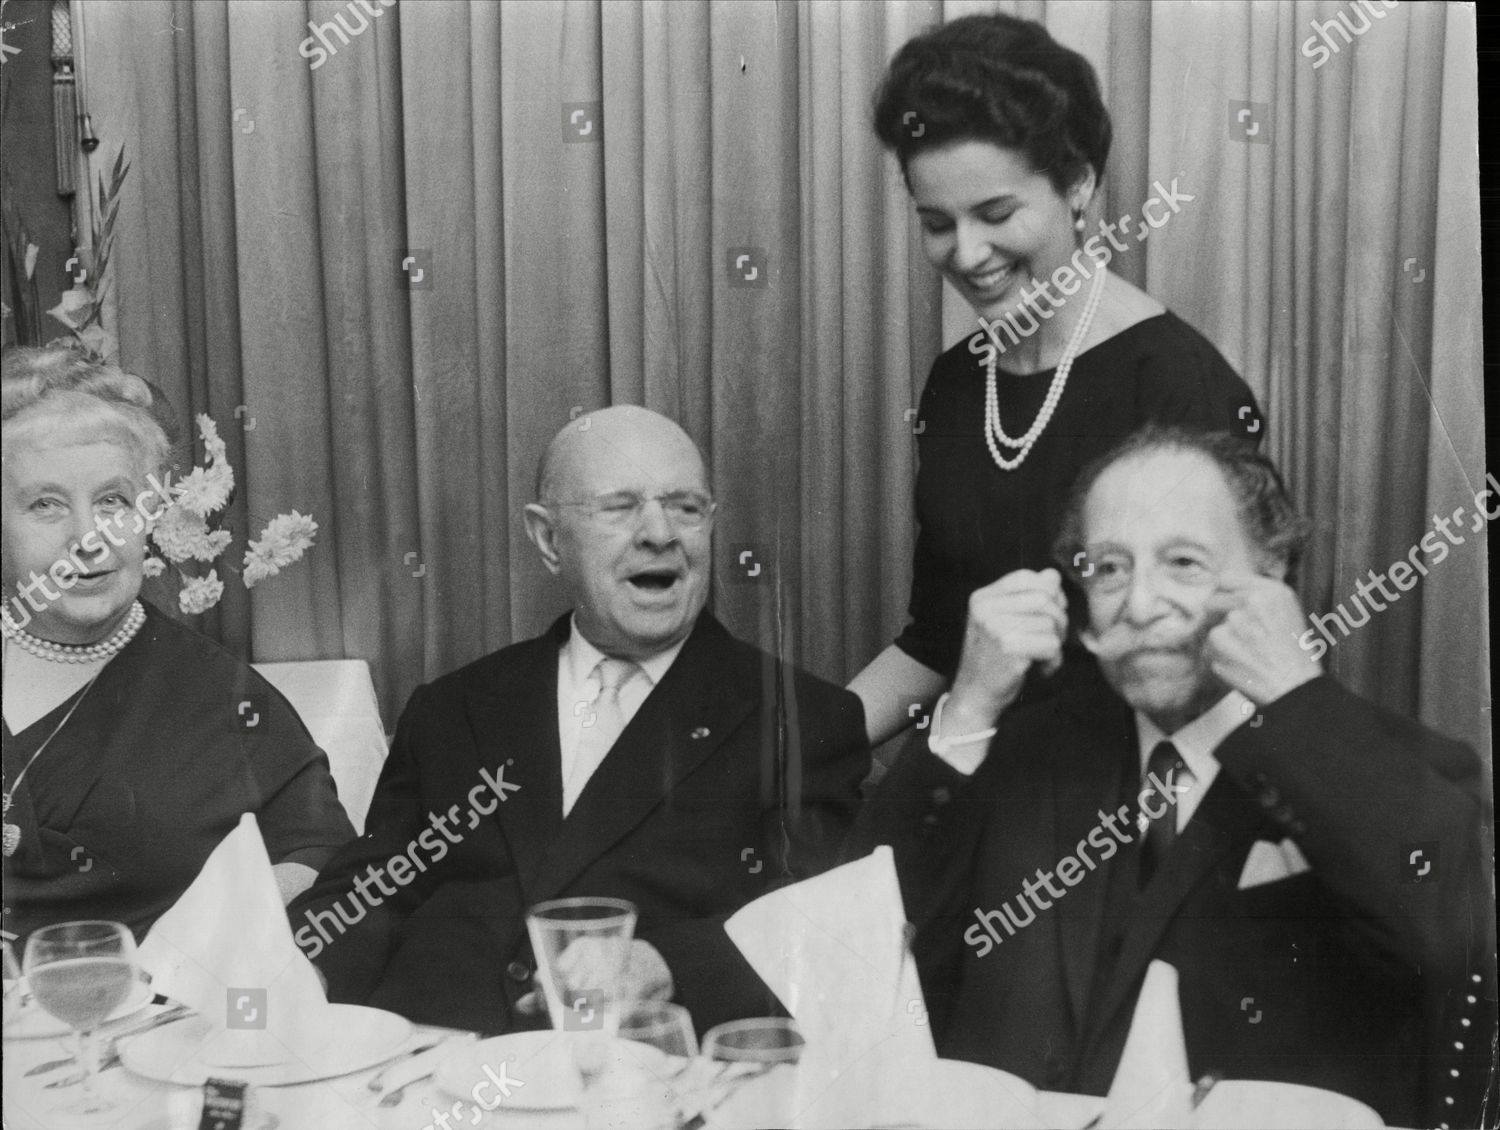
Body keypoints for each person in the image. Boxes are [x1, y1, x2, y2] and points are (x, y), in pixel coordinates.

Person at [852, 426, 1493, 1129]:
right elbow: (861, 970)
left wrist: (1295, 699)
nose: (1139, 604)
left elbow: (1448, 956)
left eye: (1183, 563)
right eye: (1110, 568)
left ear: (1272, 573)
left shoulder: (1402, 770)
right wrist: (969, 707)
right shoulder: (1016, 753)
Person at [290, 406, 868, 1034]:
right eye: (619, 507)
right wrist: (301, 964)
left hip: (639, 1066)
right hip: (431, 1062)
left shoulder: (801, 719)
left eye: (685, 507)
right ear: (548, 540)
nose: (659, 533)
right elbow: (374, 886)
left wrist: (662, 964)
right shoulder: (454, 706)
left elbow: (823, 924)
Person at [849, 13, 1264, 748]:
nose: (967, 254)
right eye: (937, 223)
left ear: (1077, 185)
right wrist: (800, 748)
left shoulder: (1178, 386)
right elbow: (940, 639)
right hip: (976, 762)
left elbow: (1214, 675)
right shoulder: (956, 382)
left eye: (996, 213)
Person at [1, 345, 353, 944]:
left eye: (113, 502)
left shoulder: (222, 696)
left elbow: (322, 854)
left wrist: (196, 948)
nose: (88, 537)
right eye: (45, 505)